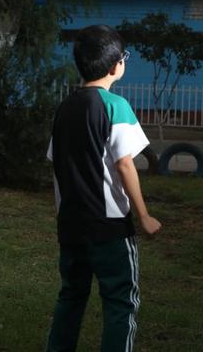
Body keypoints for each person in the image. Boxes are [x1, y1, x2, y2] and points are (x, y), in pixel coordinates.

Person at [45, 24, 161, 351]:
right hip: (108, 228)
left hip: (70, 224)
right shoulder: (115, 106)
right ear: (115, 66)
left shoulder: (64, 108)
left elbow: (57, 163)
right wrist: (144, 215)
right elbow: (125, 164)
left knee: (71, 296)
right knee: (121, 301)